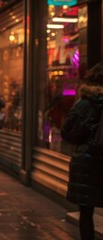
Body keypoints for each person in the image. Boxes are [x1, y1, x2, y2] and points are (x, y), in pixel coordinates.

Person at [61, 62, 103, 240]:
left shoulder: (82, 104)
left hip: (86, 161)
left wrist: (83, 137)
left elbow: (66, 132)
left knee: (86, 212)